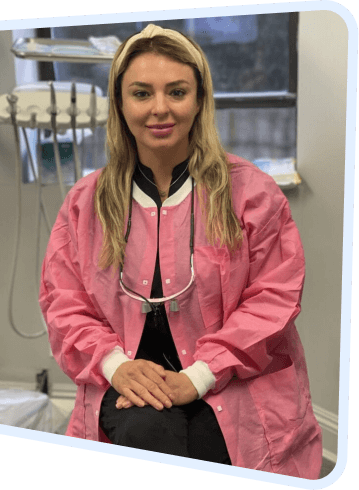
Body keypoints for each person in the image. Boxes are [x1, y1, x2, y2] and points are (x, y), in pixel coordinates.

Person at [39, 24, 323, 478]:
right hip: (133, 379)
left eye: (176, 91)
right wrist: (115, 365)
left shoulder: (251, 195)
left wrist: (200, 376)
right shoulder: (85, 204)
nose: (160, 109)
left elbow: (273, 298)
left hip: (232, 380)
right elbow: (64, 303)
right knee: (149, 436)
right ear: (120, 103)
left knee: (215, 451)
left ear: (199, 100)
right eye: (141, 93)